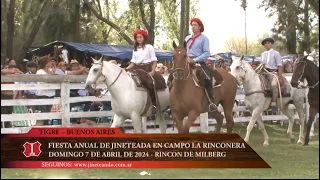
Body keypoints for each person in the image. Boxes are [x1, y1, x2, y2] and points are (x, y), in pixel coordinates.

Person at [167, 18, 221, 111]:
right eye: (192, 25)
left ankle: (211, 102)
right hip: (186, 61)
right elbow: (184, 50)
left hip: (199, 62)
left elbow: (206, 53)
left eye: (195, 25)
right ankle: (171, 101)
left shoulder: (204, 39)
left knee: (207, 78)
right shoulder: (187, 38)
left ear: (200, 27)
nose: (193, 27)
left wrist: (194, 60)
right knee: (172, 76)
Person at [125, 29, 163, 109]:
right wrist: (125, 69)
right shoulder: (135, 49)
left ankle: (153, 104)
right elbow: (133, 63)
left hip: (147, 68)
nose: (139, 39)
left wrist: (153, 71)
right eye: (137, 37)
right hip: (137, 69)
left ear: (144, 38)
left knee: (149, 83)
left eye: (140, 37)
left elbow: (154, 61)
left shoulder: (149, 47)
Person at [260, 37, 284, 108]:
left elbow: (279, 66)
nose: (266, 45)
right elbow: (262, 64)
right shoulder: (262, 54)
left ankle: (274, 101)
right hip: (264, 73)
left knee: (273, 85)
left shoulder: (276, 53)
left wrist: (280, 77)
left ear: (271, 44)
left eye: (268, 43)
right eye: (265, 44)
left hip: (273, 73)